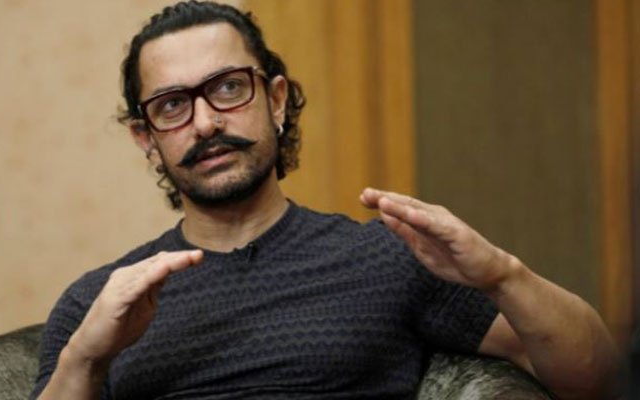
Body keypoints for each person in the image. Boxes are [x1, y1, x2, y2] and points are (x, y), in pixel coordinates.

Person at [30, 1, 620, 399]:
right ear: (147, 139)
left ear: (276, 101)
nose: (205, 123)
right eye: (172, 105)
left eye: (229, 88)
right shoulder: (100, 303)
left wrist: (502, 275)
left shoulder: (387, 257)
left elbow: (593, 378)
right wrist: (85, 359)